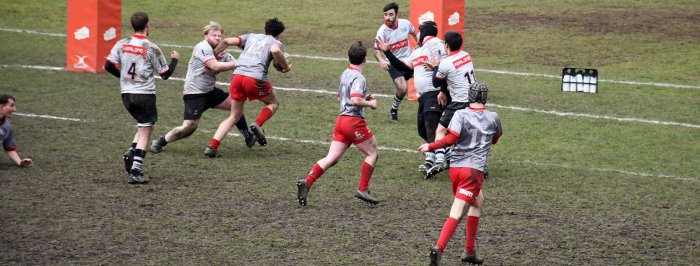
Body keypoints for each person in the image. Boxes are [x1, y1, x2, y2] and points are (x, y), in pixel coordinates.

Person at [419, 82, 502, 265]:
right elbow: (495, 139)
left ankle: (470, 251)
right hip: (473, 171)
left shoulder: (459, 114)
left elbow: (451, 138)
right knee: (457, 212)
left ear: (469, 97)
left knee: (477, 201)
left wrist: (431, 145)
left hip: (456, 169)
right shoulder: (493, 117)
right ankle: (438, 248)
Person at [149, 22, 256, 156]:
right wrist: (238, 62)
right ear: (205, 36)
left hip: (210, 91)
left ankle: (248, 137)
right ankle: (160, 142)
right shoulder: (202, 47)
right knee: (189, 127)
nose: (217, 38)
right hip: (194, 94)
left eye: (219, 36)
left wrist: (252, 65)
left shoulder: (221, 52)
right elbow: (215, 66)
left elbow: (239, 67)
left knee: (236, 107)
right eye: (214, 35)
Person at [296, 41, 380, 206]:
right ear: (365, 60)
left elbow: (341, 97)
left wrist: (363, 99)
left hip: (341, 121)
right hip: (353, 122)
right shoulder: (359, 77)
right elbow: (355, 100)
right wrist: (370, 104)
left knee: (332, 158)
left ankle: (307, 182)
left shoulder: (345, 73)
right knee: (372, 153)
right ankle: (363, 189)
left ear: (349, 58)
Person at [104, 11, 180, 184]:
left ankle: (131, 152)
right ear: (147, 25)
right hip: (144, 95)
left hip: (126, 94)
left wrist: (122, 77)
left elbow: (108, 64)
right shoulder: (151, 48)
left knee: (143, 127)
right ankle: (135, 172)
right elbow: (166, 74)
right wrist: (175, 59)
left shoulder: (122, 43)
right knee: (146, 132)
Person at [206, 18, 291, 157]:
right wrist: (286, 67)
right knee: (273, 103)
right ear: (278, 34)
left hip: (237, 76)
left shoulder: (251, 36)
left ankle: (212, 146)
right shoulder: (277, 43)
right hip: (255, 78)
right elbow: (275, 51)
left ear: (265, 29)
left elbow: (227, 41)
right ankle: (258, 123)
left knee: (234, 116)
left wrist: (214, 55)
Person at [375, 20, 447, 178]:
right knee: (423, 129)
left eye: (419, 31)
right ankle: (444, 151)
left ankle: (437, 160)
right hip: (423, 97)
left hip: (434, 93)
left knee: (431, 127)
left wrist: (443, 90)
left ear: (425, 31)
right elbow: (401, 67)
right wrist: (387, 52)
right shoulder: (417, 50)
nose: (417, 35)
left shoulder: (436, 43)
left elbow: (444, 66)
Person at [424, 31, 478, 178]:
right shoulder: (466, 55)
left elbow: (436, 82)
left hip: (459, 102)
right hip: (474, 100)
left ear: (446, 45)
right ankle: (478, 164)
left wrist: (435, 66)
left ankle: (440, 160)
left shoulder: (446, 63)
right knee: (468, 135)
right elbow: (453, 76)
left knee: (441, 130)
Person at [373, 2, 417, 123]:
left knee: (423, 82)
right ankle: (394, 110)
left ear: (396, 14)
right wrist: (381, 60)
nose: (388, 17)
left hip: (409, 60)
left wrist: (420, 48)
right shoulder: (382, 31)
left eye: (391, 14)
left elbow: (415, 33)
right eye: (385, 15)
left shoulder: (405, 24)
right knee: (402, 88)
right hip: (393, 63)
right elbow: (376, 50)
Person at [0, 94, 33, 167]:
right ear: (1, 107)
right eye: (11, 106)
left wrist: (20, 162)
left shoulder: (6, 127)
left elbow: (10, 149)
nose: (14, 109)